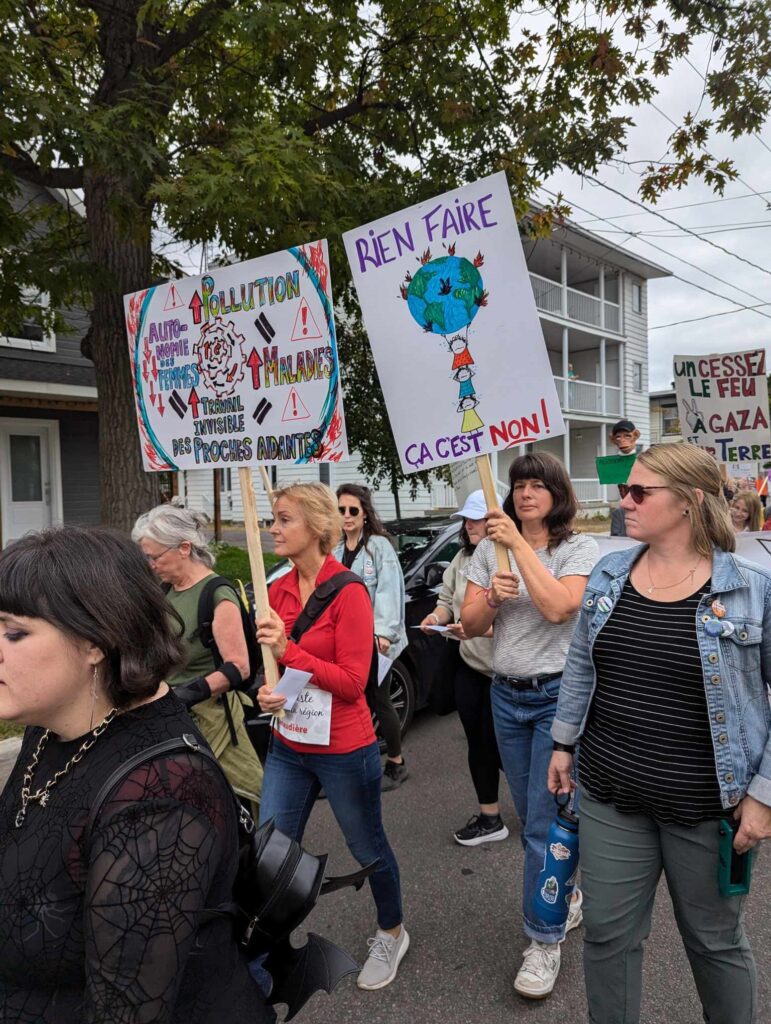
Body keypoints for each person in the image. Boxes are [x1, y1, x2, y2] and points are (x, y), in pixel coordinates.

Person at [0, 527, 274, 1022]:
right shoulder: (52, 725)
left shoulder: (163, 793)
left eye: (14, 632)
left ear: (94, 641)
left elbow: (123, 1010)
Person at [548, 442, 771, 1024]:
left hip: (706, 807)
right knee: (606, 938)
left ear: (691, 502)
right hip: (611, 796)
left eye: (640, 491)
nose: (625, 501)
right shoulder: (608, 571)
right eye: (626, 489)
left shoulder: (751, 588)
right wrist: (563, 742)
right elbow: (580, 663)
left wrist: (765, 792)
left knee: (715, 945)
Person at [255, 483, 409, 991]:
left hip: (345, 749)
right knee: (271, 850)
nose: (272, 528)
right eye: (272, 519)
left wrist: (290, 652)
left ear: (317, 529)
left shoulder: (349, 591)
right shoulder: (273, 590)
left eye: (283, 519)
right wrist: (266, 692)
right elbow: (273, 672)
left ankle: (391, 931)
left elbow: (352, 682)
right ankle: (264, 952)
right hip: (288, 746)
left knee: (367, 846)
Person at [461, 453, 599, 999]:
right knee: (530, 815)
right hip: (506, 696)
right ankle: (564, 894)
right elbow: (469, 624)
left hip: (558, 697)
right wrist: (493, 594)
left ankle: (543, 942)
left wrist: (519, 547)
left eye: (537, 485)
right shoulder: (486, 553)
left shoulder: (576, 548)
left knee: (542, 824)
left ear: (556, 492)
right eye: (518, 485)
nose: (524, 494)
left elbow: (562, 607)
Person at [132, 503, 263, 810]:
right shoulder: (167, 592)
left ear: (184, 548)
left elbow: (238, 667)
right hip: (172, 719)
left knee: (235, 808)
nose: (150, 564)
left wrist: (186, 695)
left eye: (154, 556)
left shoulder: (217, 594)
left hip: (215, 722)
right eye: (146, 557)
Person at [419, 489, 506, 845]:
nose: (470, 525)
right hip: (469, 664)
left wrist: (473, 627)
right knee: (478, 743)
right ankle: (490, 818)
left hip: (506, 672)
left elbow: (529, 622)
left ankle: (550, 812)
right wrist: (436, 617)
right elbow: (446, 601)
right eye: (467, 519)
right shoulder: (462, 558)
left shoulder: (511, 561)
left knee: (511, 748)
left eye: (478, 518)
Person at [333, 483, 409, 790]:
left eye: (353, 510)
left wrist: (384, 634)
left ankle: (396, 762)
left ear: (365, 514)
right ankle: (352, 766)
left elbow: (389, 590)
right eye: (341, 510)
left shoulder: (379, 546)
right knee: (351, 702)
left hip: (375, 641)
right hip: (346, 642)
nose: (347, 516)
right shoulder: (336, 550)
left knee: (379, 700)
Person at [609, 418, 641, 537]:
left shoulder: (644, 460)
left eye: (627, 436)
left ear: (635, 435)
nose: (622, 440)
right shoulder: (619, 514)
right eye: (618, 437)